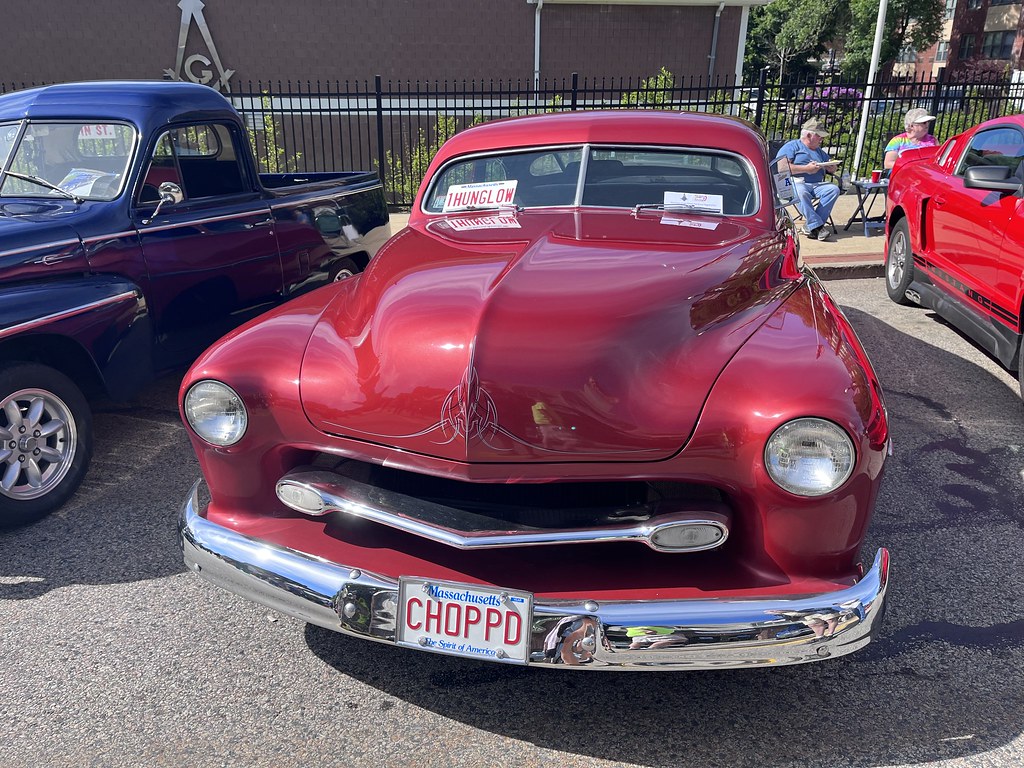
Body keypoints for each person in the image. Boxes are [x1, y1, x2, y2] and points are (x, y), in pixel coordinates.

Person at [774, 118, 841, 241]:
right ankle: (817, 227)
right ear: (809, 135)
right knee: (801, 192)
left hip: (816, 184)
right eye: (819, 136)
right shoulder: (791, 147)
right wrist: (806, 169)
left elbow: (829, 165)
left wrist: (832, 167)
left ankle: (812, 225)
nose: (822, 139)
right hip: (794, 182)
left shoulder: (819, 151)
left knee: (833, 189)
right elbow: (782, 168)